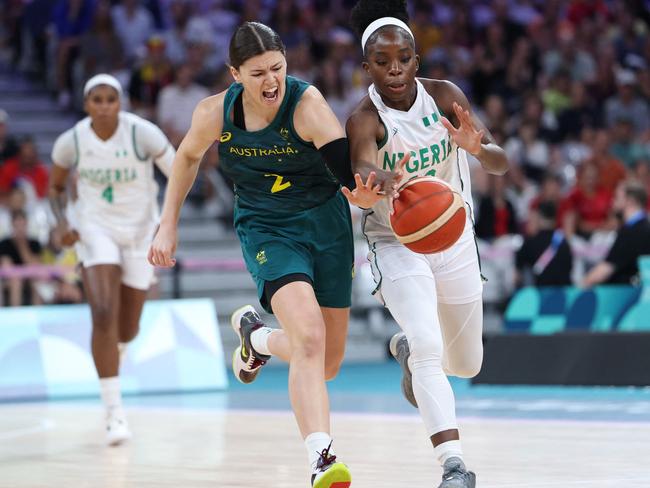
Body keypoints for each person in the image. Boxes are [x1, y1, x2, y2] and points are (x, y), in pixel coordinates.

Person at [148, 21, 394, 488]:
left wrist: (362, 194)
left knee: (327, 362)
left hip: (326, 226)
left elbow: (346, 170)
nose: (271, 81)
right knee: (307, 336)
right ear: (234, 73)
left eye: (277, 68)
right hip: (267, 229)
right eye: (258, 72)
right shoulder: (213, 113)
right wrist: (168, 225)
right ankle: (322, 459)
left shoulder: (308, 105)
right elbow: (185, 159)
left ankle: (257, 339)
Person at [346, 1, 509, 487]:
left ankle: (406, 353)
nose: (394, 69)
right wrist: (381, 180)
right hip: (395, 241)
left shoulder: (444, 96)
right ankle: (455, 465)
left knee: (466, 363)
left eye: (404, 58)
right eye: (382, 61)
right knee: (427, 342)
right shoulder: (364, 119)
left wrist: (478, 148)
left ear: (417, 59)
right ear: (366, 67)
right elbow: (362, 163)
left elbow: (499, 162)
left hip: (454, 233)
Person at [49, 73, 175, 446]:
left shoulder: (142, 133)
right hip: (95, 228)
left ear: (120, 103)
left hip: (140, 232)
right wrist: (61, 223)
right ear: (86, 104)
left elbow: (180, 171)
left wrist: (168, 222)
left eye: (110, 99)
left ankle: (116, 348)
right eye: (96, 99)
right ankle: (113, 413)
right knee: (102, 312)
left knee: (126, 330)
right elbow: (56, 188)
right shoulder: (71, 141)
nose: (104, 105)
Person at [582, 182, 650, 287]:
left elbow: (605, 269)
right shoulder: (642, 226)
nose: (612, 201)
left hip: (630, 295)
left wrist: (582, 285)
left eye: (617, 197)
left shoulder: (633, 231)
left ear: (630, 201)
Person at [515, 201, 573, 287]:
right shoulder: (563, 242)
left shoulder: (530, 243)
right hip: (562, 295)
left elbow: (517, 276)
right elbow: (569, 268)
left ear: (539, 217)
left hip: (538, 296)